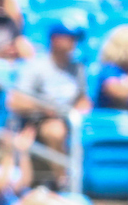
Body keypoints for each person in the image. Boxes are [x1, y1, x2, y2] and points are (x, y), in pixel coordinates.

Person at [6, 21, 89, 188]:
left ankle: (89, 182)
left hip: (70, 120)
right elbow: (15, 101)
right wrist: (44, 107)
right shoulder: (36, 66)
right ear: (56, 40)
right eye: (69, 38)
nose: (73, 43)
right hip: (38, 122)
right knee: (54, 131)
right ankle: (64, 182)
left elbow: (82, 98)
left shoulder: (77, 68)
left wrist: (82, 109)